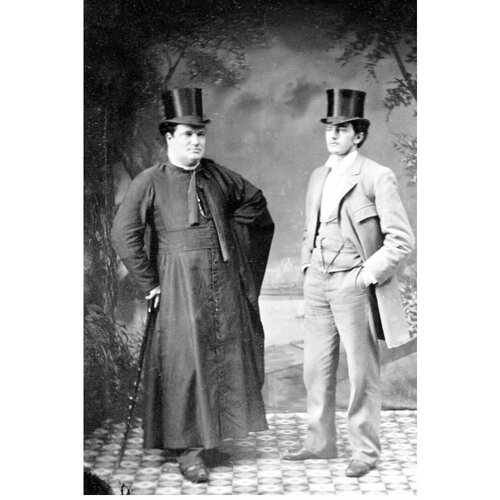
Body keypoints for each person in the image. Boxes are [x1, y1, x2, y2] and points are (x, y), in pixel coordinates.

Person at [111, 88, 274, 483]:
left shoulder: (217, 175)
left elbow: (256, 205)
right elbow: (123, 234)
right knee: (186, 363)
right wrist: (150, 282)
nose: (196, 141)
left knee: (221, 357)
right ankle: (189, 452)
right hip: (178, 285)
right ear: (169, 137)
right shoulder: (150, 180)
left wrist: (232, 239)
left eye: (201, 134)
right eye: (188, 134)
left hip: (221, 282)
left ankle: (213, 440)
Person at [283, 89, 415, 477]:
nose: (333, 134)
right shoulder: (318, 176)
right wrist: (307, 267)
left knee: (361, 373)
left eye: (342, 128)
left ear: (358, 135)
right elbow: (310, 228)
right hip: (318, 283)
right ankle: (319, 443)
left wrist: (365, 276)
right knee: (315, 369)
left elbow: (401, 240)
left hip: (353, 285)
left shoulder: (376, 176)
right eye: (329, 127)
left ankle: (365, 452)